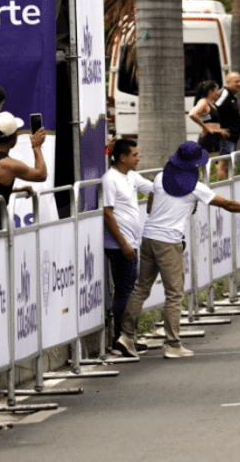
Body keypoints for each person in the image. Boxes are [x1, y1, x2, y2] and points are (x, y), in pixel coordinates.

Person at [114, 142, 240, 360]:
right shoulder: (195, 187)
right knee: (174, 294)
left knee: (141, 288)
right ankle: (173, 344)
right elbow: (227, 204)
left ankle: (126, 336)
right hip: (169, 242)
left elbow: (151, 206)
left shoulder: (160, 178)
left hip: (148, 238)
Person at [101, 139, 154, 354]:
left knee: (131, 290)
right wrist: (122, 243)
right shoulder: (110, 179)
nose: (138, 158)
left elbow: (155, 188)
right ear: (123, 157)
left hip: (132, 242)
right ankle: (120, 339)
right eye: (134, 155)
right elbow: (107, 213)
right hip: (119, 245)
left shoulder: (132, 176)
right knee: (124, 291)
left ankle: (128, 337)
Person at [0, 113, 47, 236]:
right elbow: (41, 174)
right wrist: (36, 146)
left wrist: (13, 191)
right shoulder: (9, 164)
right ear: (14, 138)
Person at [187, 81, 227, 157]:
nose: (218, 93)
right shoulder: (203, 102)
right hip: (208, 140)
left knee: (217, 162)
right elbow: (192, 114)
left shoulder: (211, 104)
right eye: (217, 90)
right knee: (210, 163)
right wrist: (205, 127)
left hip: (215, 140)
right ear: (210, 91)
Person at [215, 72, 240, 181]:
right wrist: (217, 129)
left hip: (233, 138)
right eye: (236, 81)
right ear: (228, 82)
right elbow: (213, 108)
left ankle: (228, 186)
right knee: (223, 164)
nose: (239, 84)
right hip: (227, 138)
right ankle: (221, 187)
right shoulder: (225, 94)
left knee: (229, 165)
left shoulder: (231, 96)